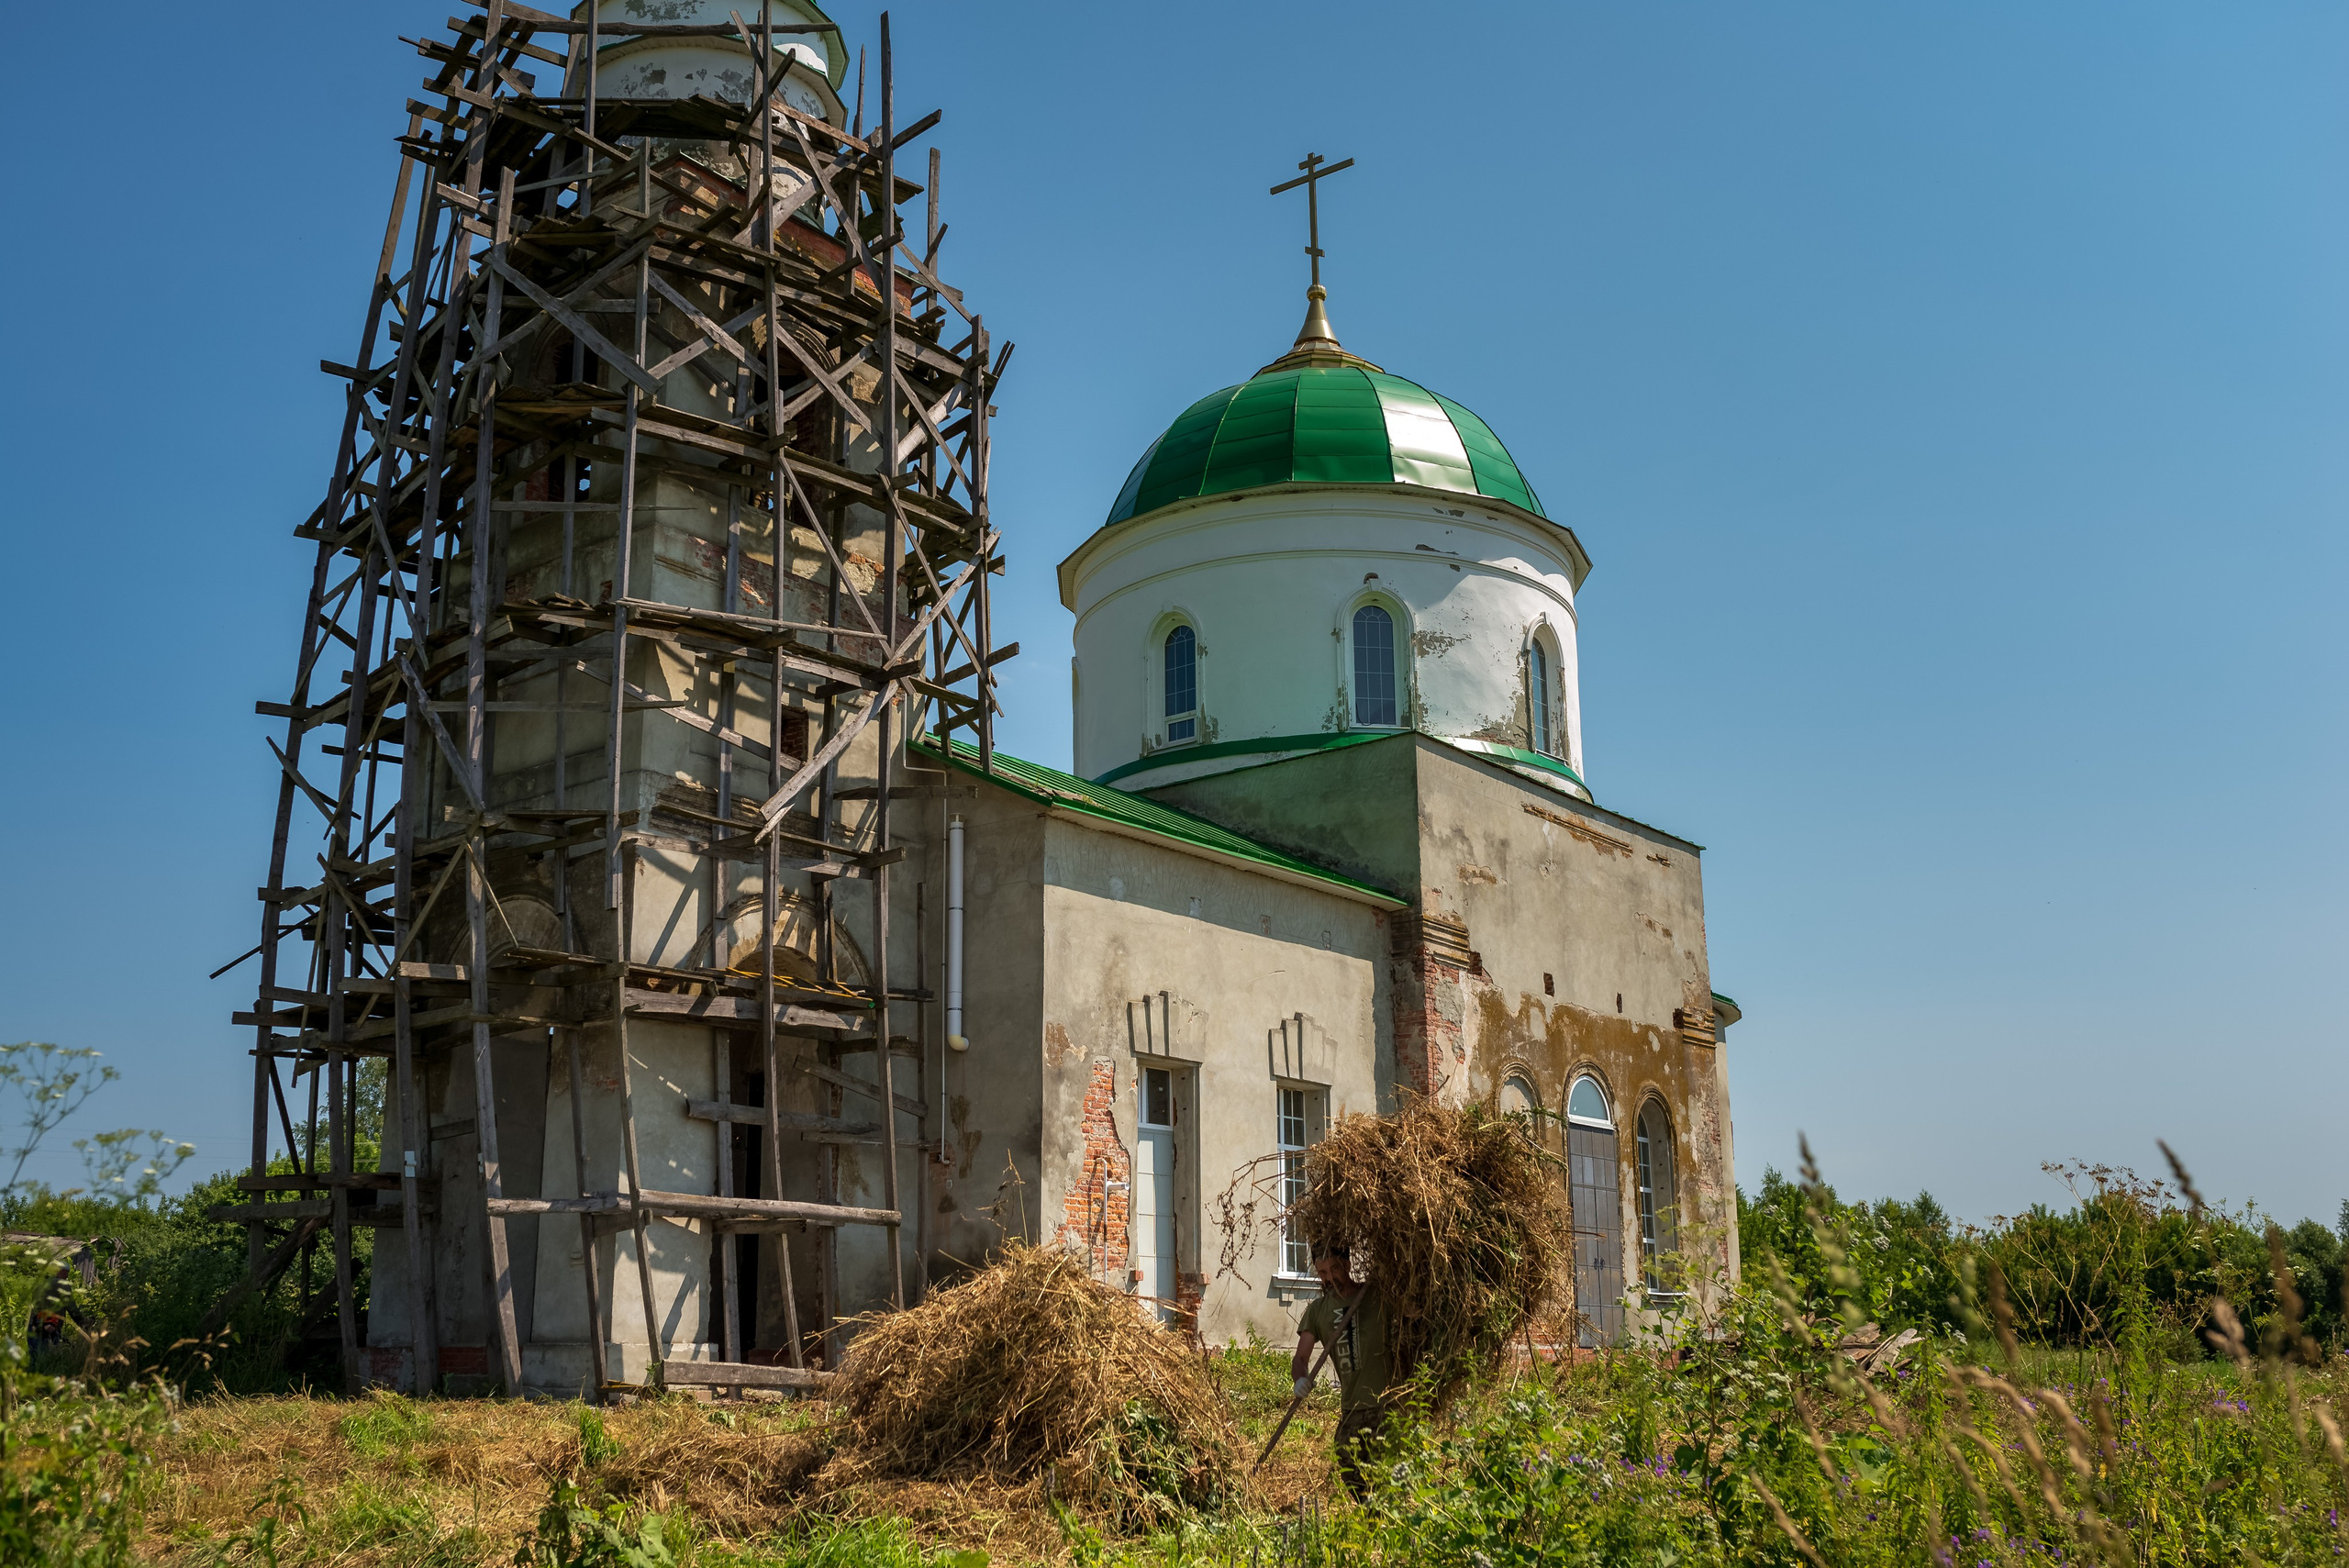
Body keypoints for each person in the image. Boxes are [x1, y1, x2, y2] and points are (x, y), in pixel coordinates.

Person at [1290, 1242, 1393, 1497]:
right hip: (1352, 1408)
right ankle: (1372, 1517)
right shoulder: (1317, 1311)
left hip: (1386, 1406)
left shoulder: (1377, 1295)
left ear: (1347, 1265)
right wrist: (1300, 1379)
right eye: (1322, 1272)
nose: (1329, 1278)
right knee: (1349, 1466)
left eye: (1334, 1269)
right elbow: (1300, 1358)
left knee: (1387, 1478)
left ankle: (1387, 1518)